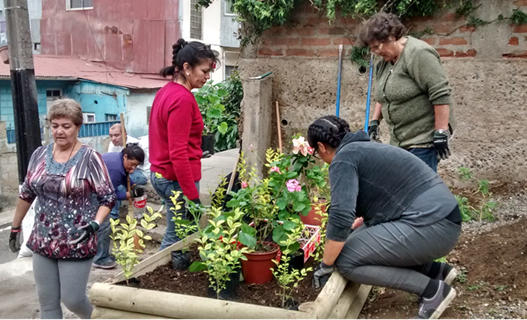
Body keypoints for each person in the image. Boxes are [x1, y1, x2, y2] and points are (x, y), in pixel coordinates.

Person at [308, 116, 461, 320]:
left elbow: (341, 216)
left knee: (346, 260)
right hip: (442, 219)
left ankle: (433, 292)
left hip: (432, 225)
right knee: (354, 241)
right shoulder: (364, 147)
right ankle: (435, 271)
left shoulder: (343, 159)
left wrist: (325, 266)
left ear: (321, 146)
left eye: (318, 154)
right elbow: (384, 195)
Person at [8, 99, 116, 320]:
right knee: (47, 302)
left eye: (66, 126)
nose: (59, 131)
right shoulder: (39, 154)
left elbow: (108, 197)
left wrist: (95, 224)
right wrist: (15, 226)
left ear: (78, 127)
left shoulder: (90, 158)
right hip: (43, 238)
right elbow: (27, 193)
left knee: (73, 300)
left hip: (78, 237)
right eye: (55, 125)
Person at [360, 12, 456, 172]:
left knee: (418, 189)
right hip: (400, 140)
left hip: (423, 138)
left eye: (377, 46)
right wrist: (375, 122)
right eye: (371, 49)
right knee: (401, 186)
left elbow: (440, 94)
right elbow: (382, 95)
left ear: (391, 37)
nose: (375, 52)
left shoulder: (419, 54)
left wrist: (440, 132)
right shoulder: (384, 62)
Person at [149, 38, 219, 250]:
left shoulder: (166, 91)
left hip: (162, 174)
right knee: (177, 238)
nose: (207, 77)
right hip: (175, 178)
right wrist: (192, 198)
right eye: (204, 71)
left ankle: (172, 274)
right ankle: (153, 278)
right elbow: (178, 152)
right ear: (187, 68)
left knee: (180, 234)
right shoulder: (182, 99)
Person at [93, 144, 146, 269]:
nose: (133, 169)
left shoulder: (119, 159)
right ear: (125, 157)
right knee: (104, 224)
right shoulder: (115, 168)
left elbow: (124, 177)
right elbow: (109, 193)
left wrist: (133, 186)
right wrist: (129, 194)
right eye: (131, 164)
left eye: (136, 166)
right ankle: (100, 258)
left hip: (98, 187)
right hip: (91, 191)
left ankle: (102, 252)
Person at [107, 123, 148, 219]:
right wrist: (130, 195)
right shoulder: (112, 146)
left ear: (124, 134)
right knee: (116, 185)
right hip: (121, 171)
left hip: (140, 172)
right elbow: (116, 170)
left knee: (120, 183)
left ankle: (113, 215)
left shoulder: (135, 144)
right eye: (111, 136)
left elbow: (136, 167)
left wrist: (133, 184)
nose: (113, 139)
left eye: (116, 135)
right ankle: (113, 216)